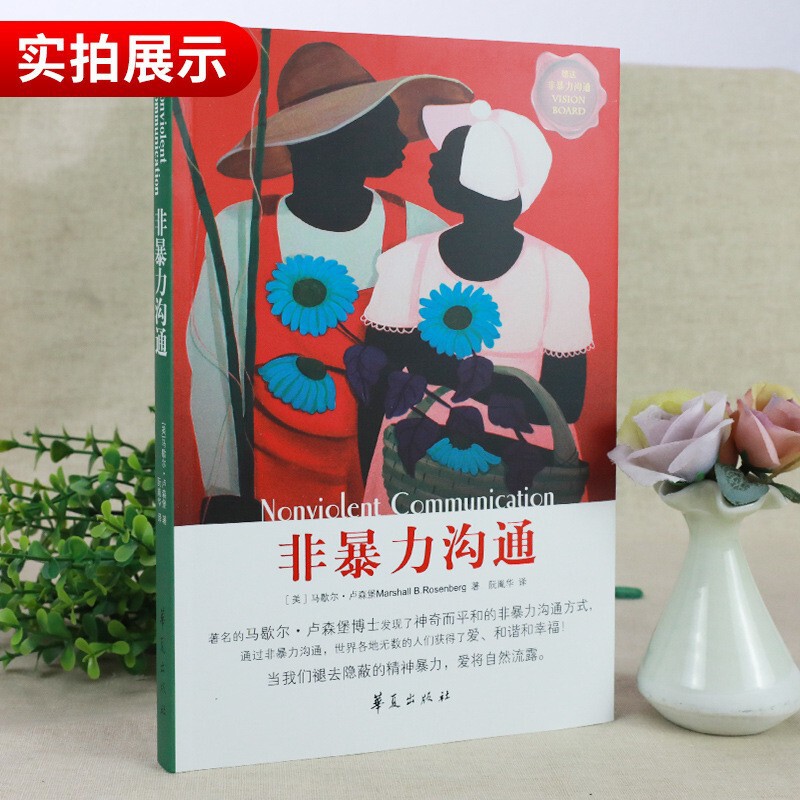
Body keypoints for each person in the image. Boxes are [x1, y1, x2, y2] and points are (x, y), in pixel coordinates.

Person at [187, 41, 472, 522]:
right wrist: (226, 489)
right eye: (384, 120)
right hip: (266, 498)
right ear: (335, 136)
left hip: (389, 493)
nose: (401, 137)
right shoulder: (239, 231)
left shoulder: (423, 233)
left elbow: (448, 376)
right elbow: (213, 368)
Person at [360, 100, 592, 507]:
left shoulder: (558, 272)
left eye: (449, 152)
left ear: (481, 172)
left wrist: (442, 368)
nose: (433, 158)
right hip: (410, 475)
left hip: (523, 479)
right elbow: (373, 390)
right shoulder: (405, 263)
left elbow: (567, 403)